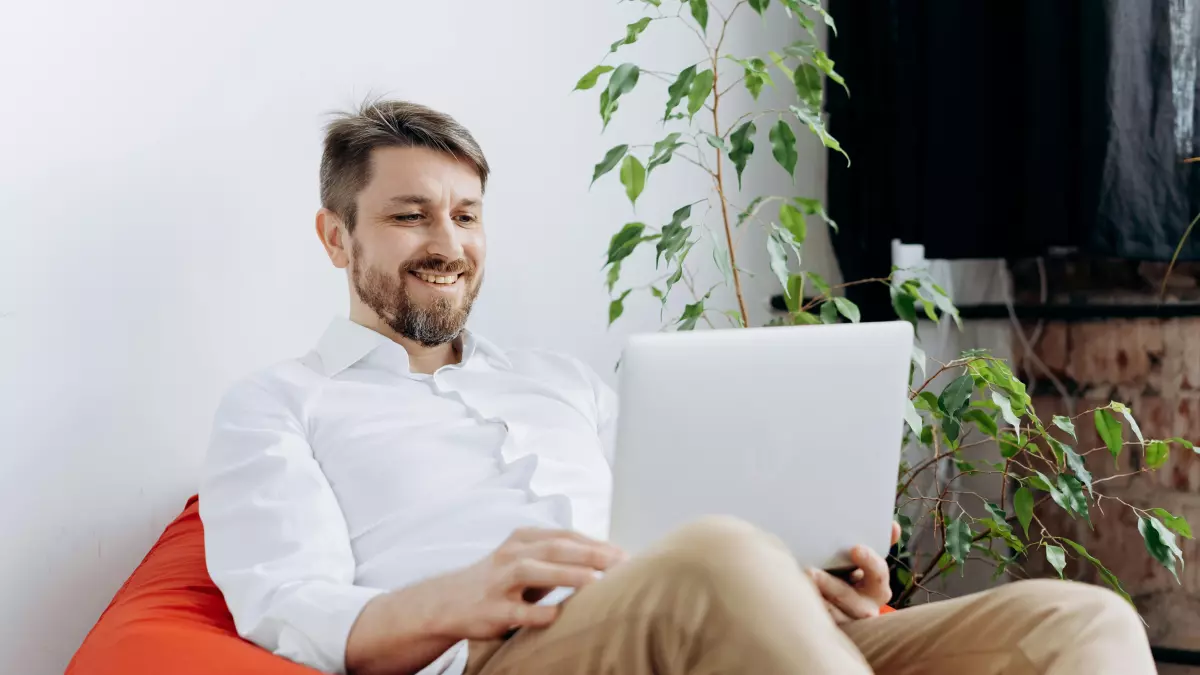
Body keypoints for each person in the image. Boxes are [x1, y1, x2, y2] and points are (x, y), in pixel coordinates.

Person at [200, 99, 1157, 675]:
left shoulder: (564, 382)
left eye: (465, 214)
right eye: (409, 216)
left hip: (723, 627)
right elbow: (291, 607)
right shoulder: (279, 404)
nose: (447, 243)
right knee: (715, 558)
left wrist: (809, 569)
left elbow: (691, 523)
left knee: (1078, 621)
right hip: (520, 656)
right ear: (337, 237)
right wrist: (469, 593)